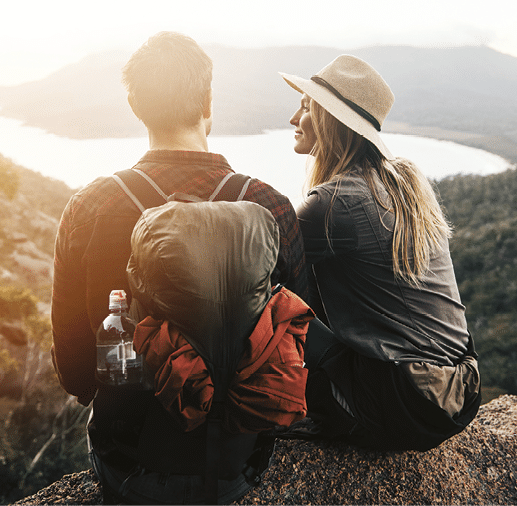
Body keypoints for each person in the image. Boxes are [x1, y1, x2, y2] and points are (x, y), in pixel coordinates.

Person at [51, 31, 307, 504]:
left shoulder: (90, 206)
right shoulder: (268, 205)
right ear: (208, 99)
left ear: (134, 105)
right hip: (238, 461)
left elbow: (74, 372)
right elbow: (301, 338)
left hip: (130, 461)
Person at [281, 54, 480, 451]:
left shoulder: (334, 203)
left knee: (266, 297)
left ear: (327, 120)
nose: (292, 118)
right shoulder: (399, 183)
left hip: (405, 403)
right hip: (459, 392)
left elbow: (260, 266)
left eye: (305, 106)